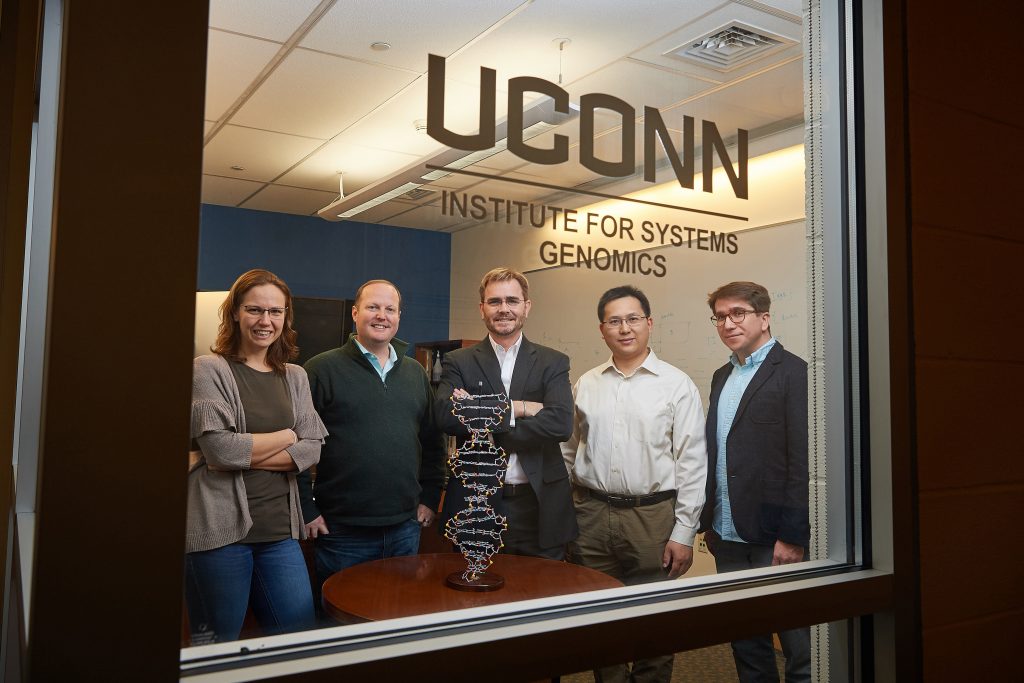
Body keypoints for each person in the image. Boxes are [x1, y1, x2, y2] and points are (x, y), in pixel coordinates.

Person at [562, 285, 707, 683]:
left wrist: (684, 531)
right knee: (599, 620)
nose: (625, 328)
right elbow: (569, 451)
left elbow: (692, 464)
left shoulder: (677, 385)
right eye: (614, 321)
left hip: (653, 518)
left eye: (632, 319)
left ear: (649, 323)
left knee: (653, 623)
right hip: (591, 515)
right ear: (602, 329)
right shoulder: (587, 384)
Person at [185, 269, 327, 645]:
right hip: (219, 538)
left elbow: (313, 446)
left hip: (280, 534)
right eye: (255, 310)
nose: (266, 321)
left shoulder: (295, 376)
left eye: (276, 312)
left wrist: (240, 453)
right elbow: (220, 450)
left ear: (286, 317)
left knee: (297, 640)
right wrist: (288, 435)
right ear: (234, 313)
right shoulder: (208, 369)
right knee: (217, 646)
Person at [298, 280, 445, 594]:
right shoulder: (320, 370)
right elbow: (297, 445)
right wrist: (306, 509)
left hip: (405, 528)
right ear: (355, 313)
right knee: (340, 623)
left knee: (397, 618)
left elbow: (433, 442)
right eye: (372, 307)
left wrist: (430, 497)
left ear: (399, 317)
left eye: (390, 309)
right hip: (342, 533)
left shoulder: (415, 373)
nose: (382, 315)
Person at [700, 281, 810, 683]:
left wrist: (793, 535)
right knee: (747, 644)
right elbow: (717, 453)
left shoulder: (795, 372)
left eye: (738, 313)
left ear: (764, 318)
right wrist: (709, 522)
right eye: (720, 316)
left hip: (774, 538)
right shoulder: (719, 376)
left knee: (800, 649)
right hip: (728, 535)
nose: (728, 323)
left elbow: (802, 461)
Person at [436, 267, 577, 560]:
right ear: (482, 308)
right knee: (474, 599)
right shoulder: (458, 361)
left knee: (542, 598)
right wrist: (520, 408)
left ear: (527, 306)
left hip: (539, 508)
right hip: (476, 506)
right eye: (494, 301)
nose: (504, 309)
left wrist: (481, 421)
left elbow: (560, 424)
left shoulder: (552, 362)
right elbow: (446, 416)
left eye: (512, 301)